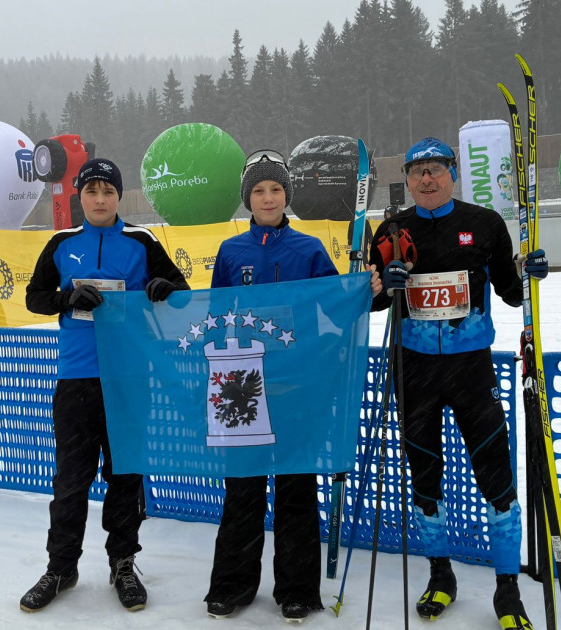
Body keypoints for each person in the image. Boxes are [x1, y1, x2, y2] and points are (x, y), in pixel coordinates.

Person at [367, 138, 549, 630]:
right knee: (424, 477)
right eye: (417, 171)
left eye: (436, 169)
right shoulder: (391, 228)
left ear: (453, 173)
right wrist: (384, 286)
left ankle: (507, 589)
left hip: (472, 369)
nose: (427, 178)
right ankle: (440, 575)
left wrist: (528, 273)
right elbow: (372, 303)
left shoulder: (484, 224)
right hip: (415, 369)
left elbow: (512, 296)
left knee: (496, 474)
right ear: (407, 178)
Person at [20, 158, 189, 614]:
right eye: (92, 191)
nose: (100, 200)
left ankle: (123, 563)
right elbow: (34, 298)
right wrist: (65, 298)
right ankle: (61, 567)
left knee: (125, 476)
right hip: (75, 378)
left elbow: (180, 288)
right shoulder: (60, 243)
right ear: (80, 196)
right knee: (71, 481)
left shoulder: (141, 240)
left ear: (119, 196)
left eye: (108, 192)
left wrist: (161, 287)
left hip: (128, 378)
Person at [203, 150, 337, 623]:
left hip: (296, 384)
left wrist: (373, 288)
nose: (267, 197)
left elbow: (336, 308)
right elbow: (215, 317)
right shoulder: (231, 252)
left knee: (296, 486)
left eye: (275, 189)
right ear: (247, 198)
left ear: (286, 196)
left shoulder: (309, 250)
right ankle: (233, 585)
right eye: (259, 190)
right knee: (242, 487)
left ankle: (297, 589)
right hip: (242, 384)